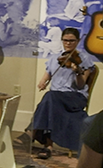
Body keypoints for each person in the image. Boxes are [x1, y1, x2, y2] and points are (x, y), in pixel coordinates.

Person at [30, 27, 97, 159]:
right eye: (65, 40)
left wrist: (77, 71)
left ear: (77, 41)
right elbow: (47, 75)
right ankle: (48, 147)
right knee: (51, 98)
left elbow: (80, 85)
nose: (68, 43)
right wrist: (43, 82)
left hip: (74, 97)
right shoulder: (56, 57)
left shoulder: (83, 59)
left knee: (50, 97)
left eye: (72, 41)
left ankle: (32, 132)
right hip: (55, 97)